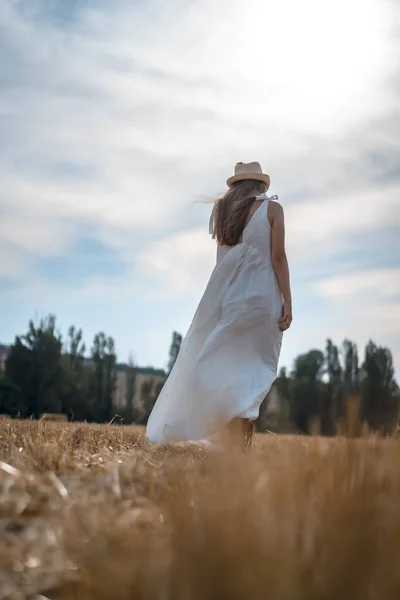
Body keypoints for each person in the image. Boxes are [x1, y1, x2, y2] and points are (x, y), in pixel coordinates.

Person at [146, 161, 292, 449]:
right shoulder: (273, 210)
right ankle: (240, 431)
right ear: (261, 185)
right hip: (263, 296)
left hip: (233, 294)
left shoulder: (221, 212)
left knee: (224, 359)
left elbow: (221, 262)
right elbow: (278, 258)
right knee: (256, 365)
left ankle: (228, 427)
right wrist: (288, 300)